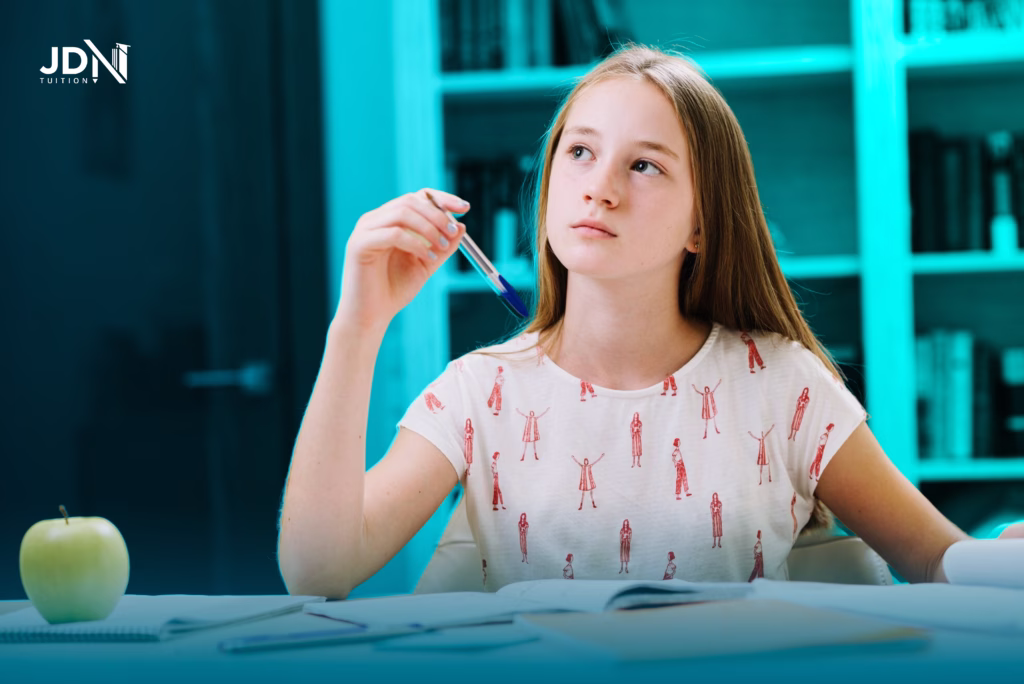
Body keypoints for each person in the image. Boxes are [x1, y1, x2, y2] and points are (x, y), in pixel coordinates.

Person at [277, 43, 1023, 599]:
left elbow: (933, 556)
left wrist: (998, 562)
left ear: (703, 224)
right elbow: (319, 571)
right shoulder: (479, 393)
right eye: (579, 152)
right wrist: (359, 322)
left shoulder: (783, 383)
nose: (597, 188)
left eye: (644, 166)